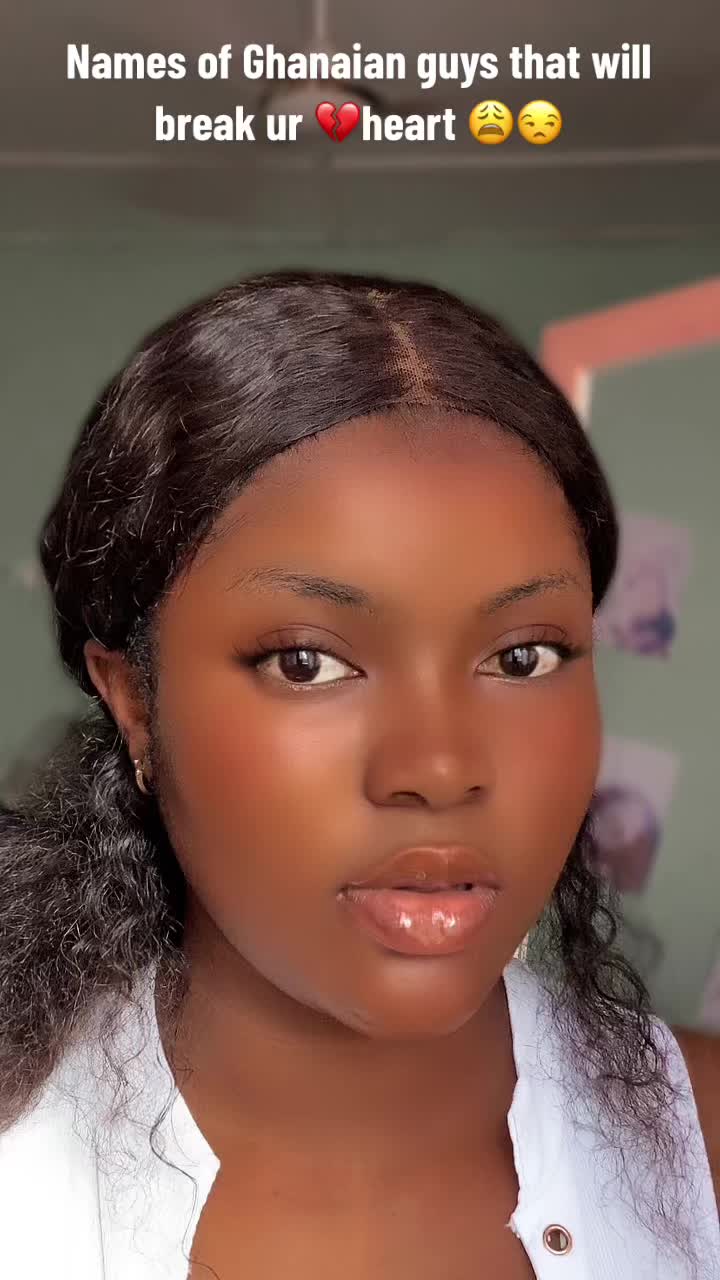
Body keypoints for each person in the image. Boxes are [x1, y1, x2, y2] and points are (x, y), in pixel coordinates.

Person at [0, 270, 717, 1280]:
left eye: (523, 657)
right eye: (306, 663)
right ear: (135, 704)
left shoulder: (703, 1152)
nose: (440, 769)